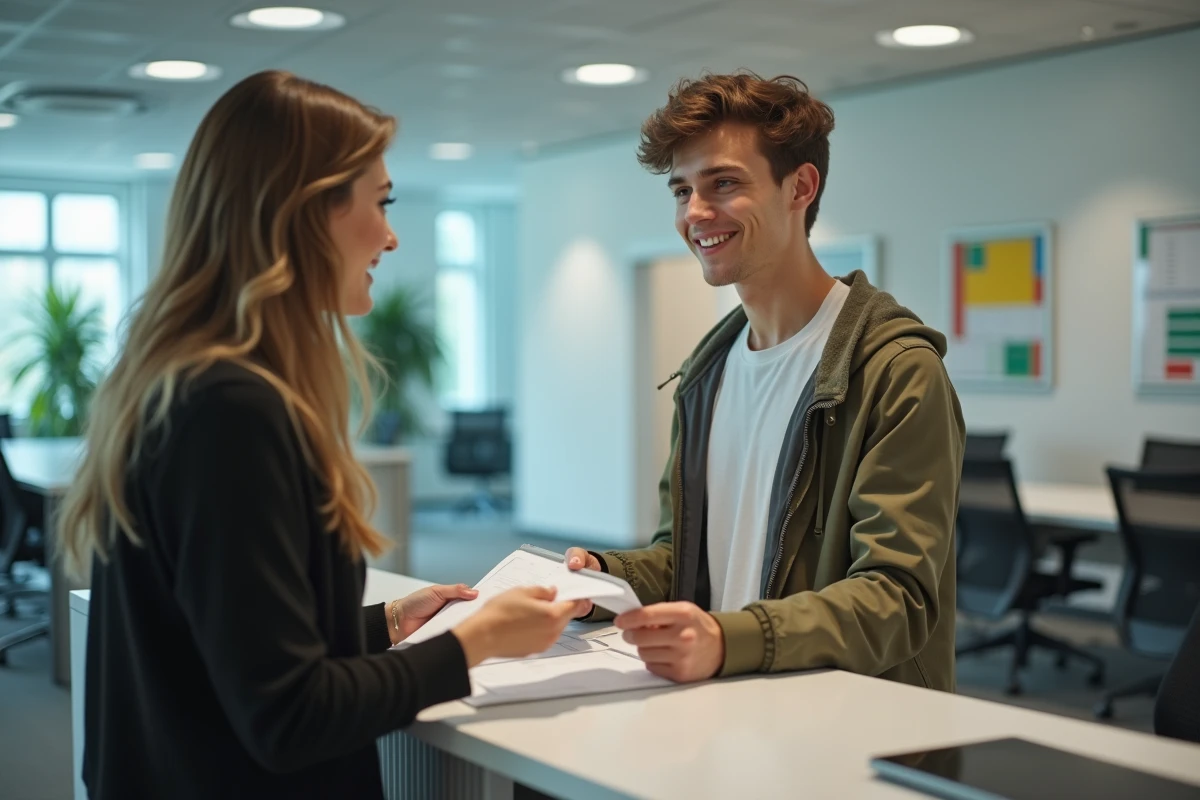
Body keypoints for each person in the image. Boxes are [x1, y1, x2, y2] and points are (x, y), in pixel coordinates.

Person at [58, 70, 585, 799]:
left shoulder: (179, 383)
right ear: (306, 212)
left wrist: (389, 622)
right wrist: (477, 641)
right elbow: (288, 717)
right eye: (382, 202)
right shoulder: (231, 412)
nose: (391, 237)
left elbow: (234, 646)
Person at [567, 72, 964, 690]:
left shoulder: (896, 371)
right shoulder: (705, 373)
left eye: (723, 184)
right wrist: (602, 578)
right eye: (682, 191)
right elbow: (685, 557)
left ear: (800, 187)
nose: (695, 213)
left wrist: (733, 639)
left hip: (850, 718)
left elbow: (897, 597)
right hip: (734, 701)